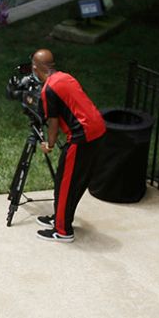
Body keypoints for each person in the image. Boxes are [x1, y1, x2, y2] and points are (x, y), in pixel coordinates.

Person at [32, 48, 106, 242]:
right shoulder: (65, 77)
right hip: (97, 130)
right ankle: (60, 219)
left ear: (36, 68)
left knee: (65, 184)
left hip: (82, 137)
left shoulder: (48, 89)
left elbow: (54, 123)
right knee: (75, 182)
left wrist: (49, 144)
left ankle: (63, 231)